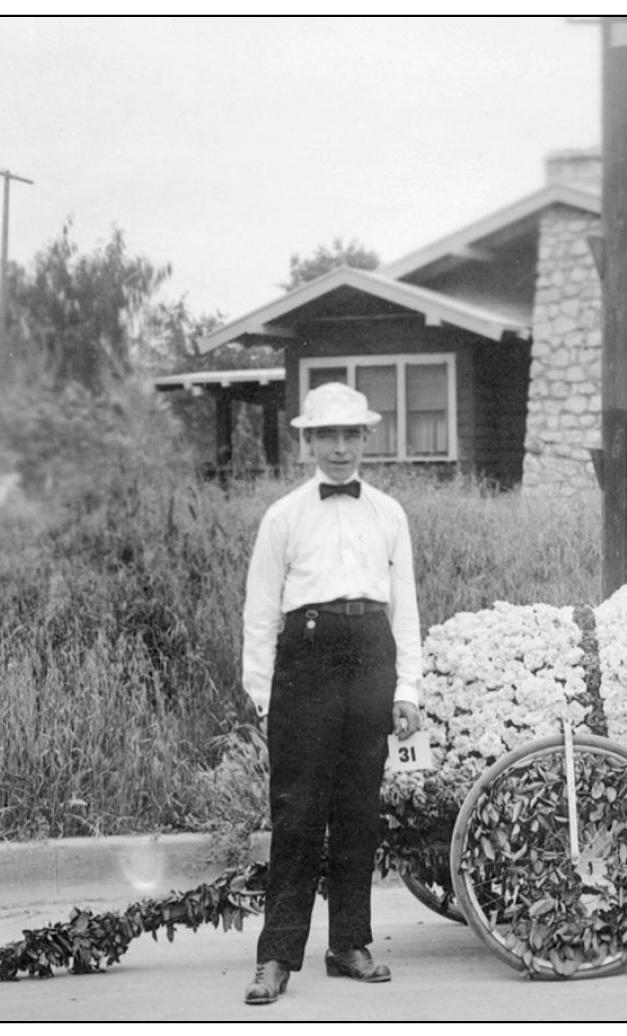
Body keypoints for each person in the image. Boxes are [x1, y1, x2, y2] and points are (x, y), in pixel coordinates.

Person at [240, 382, 424, 1006]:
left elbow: (406, 614)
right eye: (328, 436)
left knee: (357, 813)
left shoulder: (390, 514)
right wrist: (267, 699)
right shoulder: (284, 517)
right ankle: (276, 957)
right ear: (308, 442)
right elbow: (260, 616)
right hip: (306, 666)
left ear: (366, 440)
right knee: (297, 816)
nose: (340, 448)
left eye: (351, 436)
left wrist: (407, 688)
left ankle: (349, 943)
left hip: (371, 657)